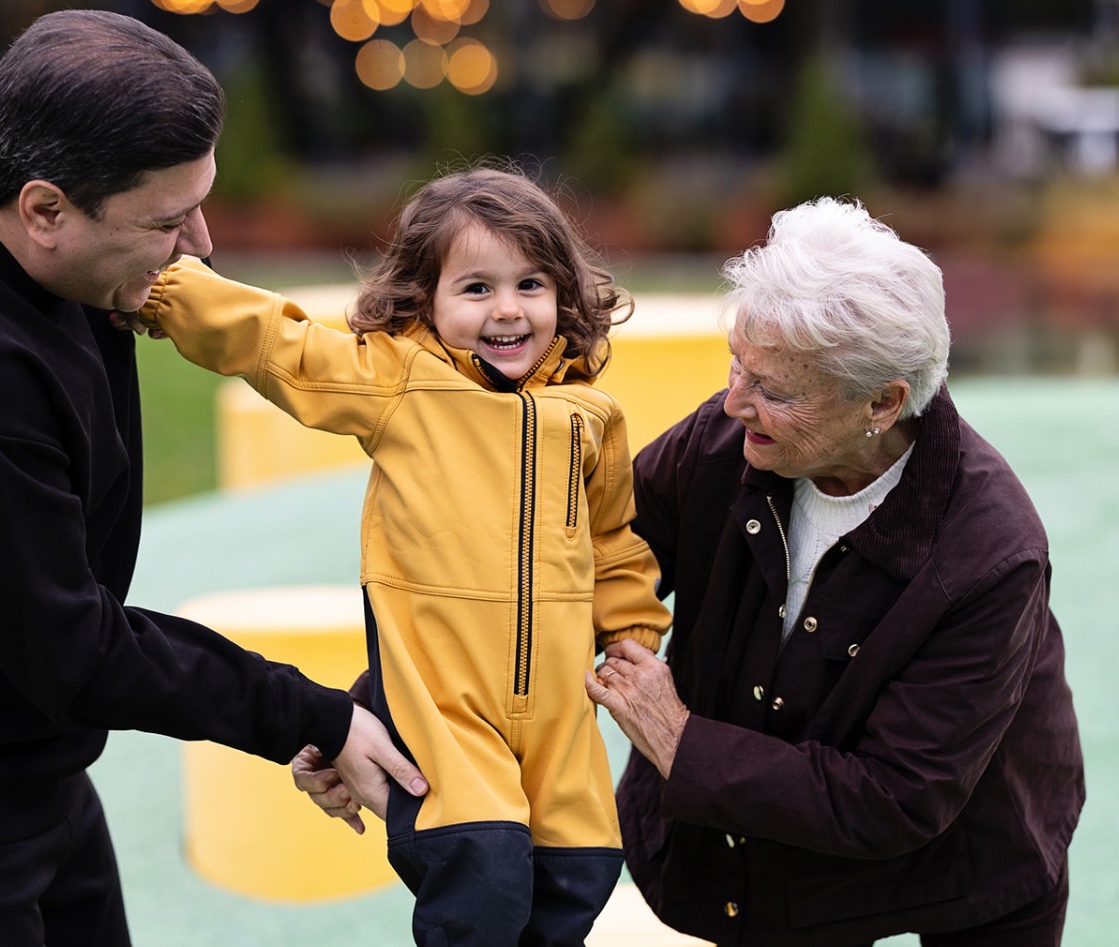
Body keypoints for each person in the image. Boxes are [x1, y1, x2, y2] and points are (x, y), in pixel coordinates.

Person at [0, 10, 424, 947]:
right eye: (168, 221)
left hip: (14, 738)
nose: (203, 244)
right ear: (46, 210)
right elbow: (78, 651)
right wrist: (314, 716)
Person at [301, 196, 1085, 945]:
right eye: (736, 364)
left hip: (968, 852)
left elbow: (895, 797)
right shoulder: (725, 441)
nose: (734, 400)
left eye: (772, 389)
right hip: (783, 861)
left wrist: (680, 740)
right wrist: (370, 716)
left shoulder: (988, 552)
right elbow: (555, 578)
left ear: (882, 402)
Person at [131, 165, 673, 946]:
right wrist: (172, 289)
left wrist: (631, 631)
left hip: (557, 714)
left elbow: (614, 538)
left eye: (531, 284)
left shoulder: (590, 417)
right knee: (480, 870)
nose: (509, 310)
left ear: (566, 295)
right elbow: (280, 345)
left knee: (580, 868)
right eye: (476, 288)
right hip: (446, 710)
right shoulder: (401, 385)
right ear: (425, 302)